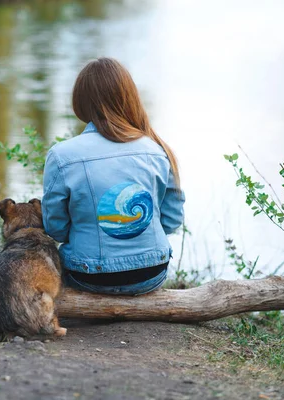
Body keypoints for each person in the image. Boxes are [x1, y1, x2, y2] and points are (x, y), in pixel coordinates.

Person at [41, 57, 185, 296]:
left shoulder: (62, 155)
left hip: (88, 275)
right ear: (129, 98)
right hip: (151, 273)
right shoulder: (157, 150)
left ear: (81, 101)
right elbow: (171, 220)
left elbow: (55, 228)